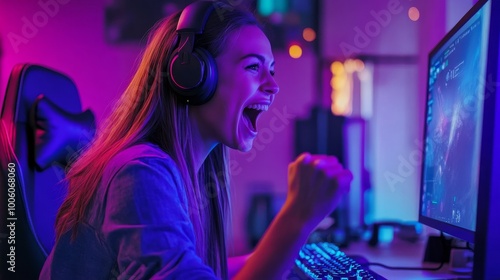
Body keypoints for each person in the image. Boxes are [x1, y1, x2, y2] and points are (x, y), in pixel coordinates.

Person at [40, 1, 352, 279]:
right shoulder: (139, 173)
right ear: (192, 75)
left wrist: (289, 253)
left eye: (271, 70)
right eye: (254, 67)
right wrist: (295, 219)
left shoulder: (184, 171)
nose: (273, 86)